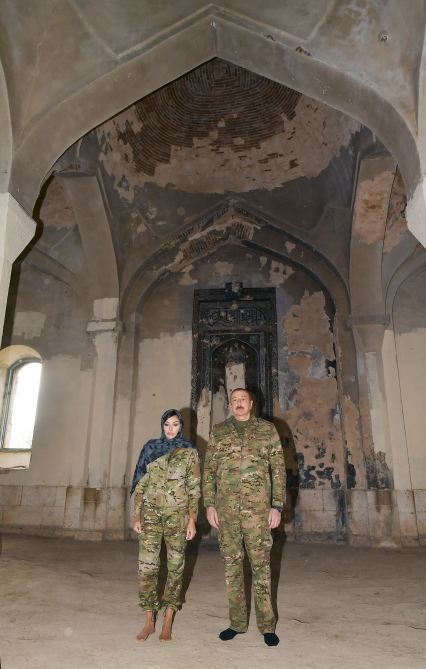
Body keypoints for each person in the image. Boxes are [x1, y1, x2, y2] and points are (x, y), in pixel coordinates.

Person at [203, 388, 286, 647]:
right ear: (230, 405)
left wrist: (277, 506)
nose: (239, 403)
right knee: (232, 567)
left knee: (261, 566)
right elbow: (209, 470)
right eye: (234, 400)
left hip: (258, 512)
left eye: (243, 400)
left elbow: (279, 469)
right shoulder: (219, 431)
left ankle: (267, 626)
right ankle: (237, 623)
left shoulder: (267, 430)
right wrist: (209, 505)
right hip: (226, 511)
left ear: (251, 403)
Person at [131, 409, 200, 642]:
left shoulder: (189, 451)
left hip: (177, 517)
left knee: (175, 566)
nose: (171, 429)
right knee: (146, 568)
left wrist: (192, 519)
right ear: (162, 426)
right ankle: (149, 619)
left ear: (181, 426)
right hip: (150, 514)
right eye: (167, 424)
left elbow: (194, 488)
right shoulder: (150, 449)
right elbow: (140, 484)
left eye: (175, 424)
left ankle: (168, 617)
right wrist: (136, 515)